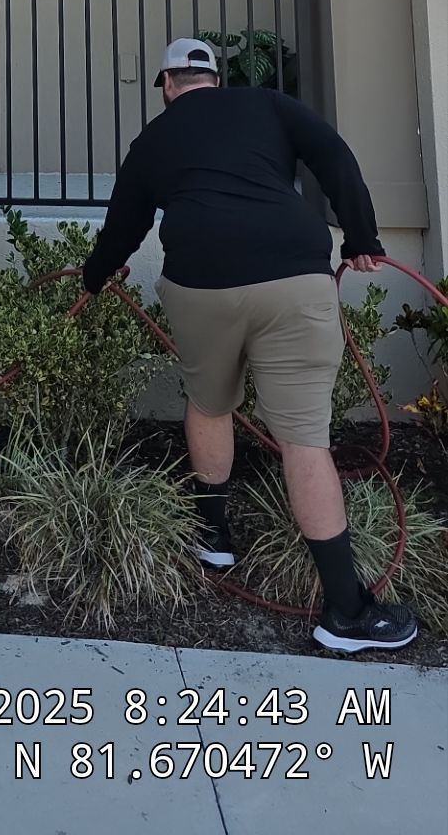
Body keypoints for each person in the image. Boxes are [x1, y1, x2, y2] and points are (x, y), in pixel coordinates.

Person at [80, 36, 417, 654]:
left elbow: (124, 222)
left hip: (200, 283)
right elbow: (333, 155)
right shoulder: (269, 105)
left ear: (166, 85)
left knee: (209, 403)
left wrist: (96, 276)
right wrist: (362, 237)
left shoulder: (154, 140)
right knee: (304, 439)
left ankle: (214, 534)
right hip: (294, 277)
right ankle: (345, 611)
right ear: (215, 78)